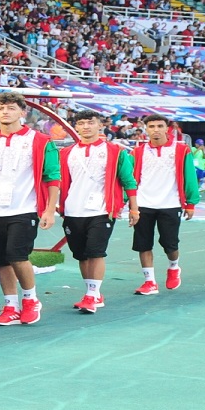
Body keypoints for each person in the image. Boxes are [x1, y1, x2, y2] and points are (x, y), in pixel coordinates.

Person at [0, 92, 60, 326]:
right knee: (2, 261)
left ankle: (31, 300)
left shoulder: (40, 140)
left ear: (22, 112)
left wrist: (49, 209)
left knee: (17, 256)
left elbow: (52, 176)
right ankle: (10, 306)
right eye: (0, 108)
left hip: (25, 208)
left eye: (11, 108)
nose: (5, 112)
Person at [57, 111, 138, 312]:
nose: (86, 126)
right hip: (73, 210)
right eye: (81, 123)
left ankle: (93, 295)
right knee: (81, 255)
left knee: (96, 252)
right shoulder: (66, 153)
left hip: (101, 210)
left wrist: (134, 208)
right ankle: (90, 292)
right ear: (75, 127)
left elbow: (128, 180)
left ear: (100, 125)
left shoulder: (116, 151)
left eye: (90, 122)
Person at [130, 114, 200, 294]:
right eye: (151, 126)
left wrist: (191, 202)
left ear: (167, 128)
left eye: (159, 126)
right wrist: (130, 204)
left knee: (170, 244)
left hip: (171, 203)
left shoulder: (181, 150)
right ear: (145, 129)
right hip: (143, 204)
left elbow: (190, 177)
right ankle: (149, 281)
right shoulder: (137, 152)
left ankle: (174, 267)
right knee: (143, 244)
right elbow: (129, 179)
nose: (155, 130)